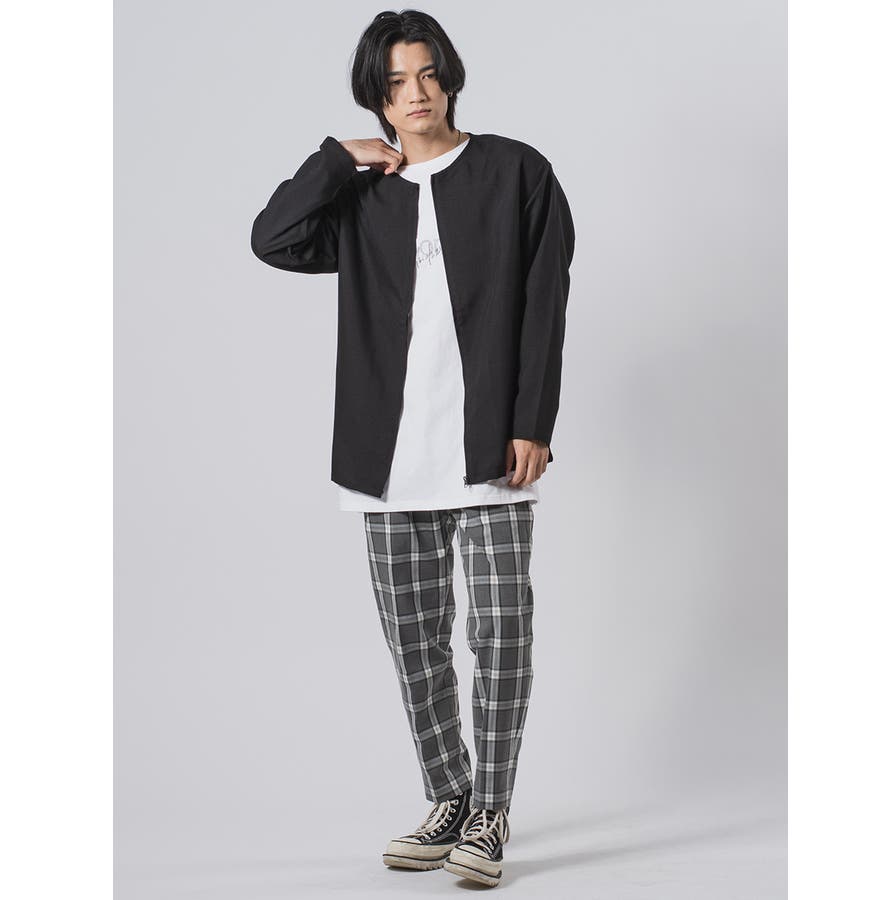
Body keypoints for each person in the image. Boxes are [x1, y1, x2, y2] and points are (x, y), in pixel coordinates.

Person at [250, 9, 575, 888]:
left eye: (427, 74)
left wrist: (532, 420)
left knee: (501, 631)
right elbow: (272, 239)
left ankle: (491, 813)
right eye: (395, 82)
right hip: (386, 457)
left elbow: (545, 299)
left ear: (449, 77)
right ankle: (449, 796)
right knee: (413, 639)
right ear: (377, 97)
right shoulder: (361, 194)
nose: (416, 94)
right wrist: (335, 160)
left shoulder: (517, 171)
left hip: (489, 447)